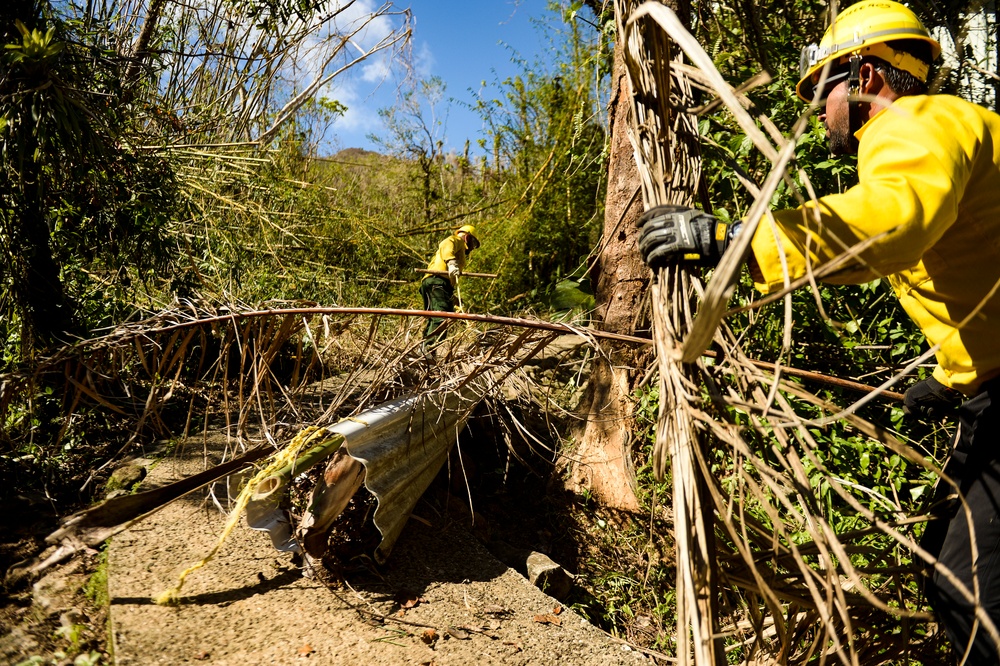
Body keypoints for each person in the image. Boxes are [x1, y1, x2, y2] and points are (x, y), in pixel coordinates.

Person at [636, 1, 1000, 661]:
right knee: (954, 571)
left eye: (822, 88)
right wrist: (953, 382)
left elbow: (893, 222)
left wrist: (739, 242)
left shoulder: (913, 123)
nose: (819, 109)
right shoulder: (954, 130)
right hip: (988, 399)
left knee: (973, 602)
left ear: (865, 75)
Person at [419, 224, 480, 352]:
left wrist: (453, 298)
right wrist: (452, 263)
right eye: (473, 243)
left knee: (434, 317)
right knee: (441, 317)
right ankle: (428, 349)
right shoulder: (456, 240)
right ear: (467, 237)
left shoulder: (460, 250)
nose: (472, 248)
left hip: (437, 283)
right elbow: (446, 245)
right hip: (437, 281)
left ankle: (424, 350)